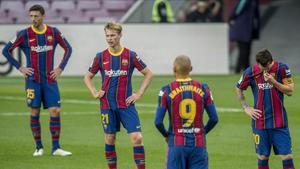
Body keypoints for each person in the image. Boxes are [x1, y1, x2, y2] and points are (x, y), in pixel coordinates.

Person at [2, 5, 72, 156]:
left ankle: (56, 148)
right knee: (35, 111)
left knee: (55, 110)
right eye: (31, 16)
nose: (33, 19)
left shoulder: (53, 32)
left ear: (43, 16)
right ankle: (39, 147)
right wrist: (20, 67)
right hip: (33, 80)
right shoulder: (24, 34)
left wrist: (60, 68)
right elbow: (5, 50)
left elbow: (68, 48)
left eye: (36, 16)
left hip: (50, 79)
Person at [84, 22, 153, 169]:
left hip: (126, 105)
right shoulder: (100, 57)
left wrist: (139, 93)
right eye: (107, 35)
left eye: (112, 35)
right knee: (110, 138)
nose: (109, 38)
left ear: (120, 35)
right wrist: (94, 92)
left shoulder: (131, 55)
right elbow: (87, 77)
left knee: (137, 137)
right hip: (107, 105)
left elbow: (148, 73)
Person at [154, 55, 218, 169]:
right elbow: (214, 119)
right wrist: (201, 132)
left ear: (174, 69)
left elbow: (158, 122)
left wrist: (167, 135)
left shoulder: (166, 90)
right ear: (191, 68)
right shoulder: (204, 88)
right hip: (198, 144)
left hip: (176, 143)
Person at [236, 49, 295, 169]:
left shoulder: (282, 68)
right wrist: (246, 107)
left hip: (279, 122)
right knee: (262, 157)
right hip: (260, 122)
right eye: (261, 67)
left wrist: (274, 82)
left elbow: (290, 91)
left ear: (270, 61)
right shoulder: (251, 72)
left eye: (266, 68)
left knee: (287, 156)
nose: (264, 70)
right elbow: (238, 88)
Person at [229, 0, 260, 73]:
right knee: (244, 51)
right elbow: (236, 11)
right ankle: (244, 70)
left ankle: (240, 70)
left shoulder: (254, 1)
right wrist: (231, 18)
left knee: (245, 51)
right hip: (242, 29)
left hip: (248, 29)